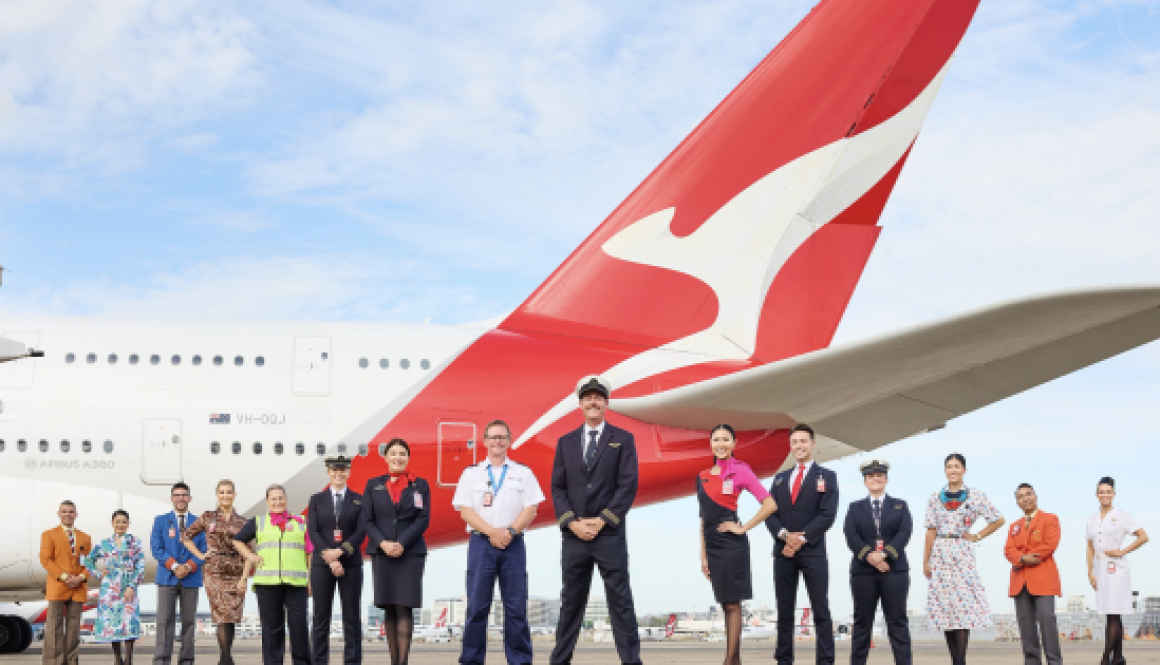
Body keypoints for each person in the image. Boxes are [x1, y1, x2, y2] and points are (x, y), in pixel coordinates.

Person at [550, 375, 642, 665]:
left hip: (609, 534)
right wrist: (573, 522)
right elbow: (558, 487)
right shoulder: (565, 443)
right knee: (570, 603)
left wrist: (603, 520)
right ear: (580, 404)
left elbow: (628, 485)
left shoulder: (623, 439)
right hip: (574, 536)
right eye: (588, 397)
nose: (593, 401)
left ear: (606, 403)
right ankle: (560, 660)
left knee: (620, 601)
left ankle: (631, 661)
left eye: (598, 397)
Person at [453, 420, 545, 665]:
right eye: (493, 437)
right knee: (476, 609)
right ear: (484, 441)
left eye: (502, 437)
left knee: (516, 609)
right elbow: (465, 511)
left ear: (509, 440)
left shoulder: (522, 473)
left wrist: (510, 532)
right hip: (481, 544)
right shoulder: (470, 474)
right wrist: (492, 532)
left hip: (513, 544)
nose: (497, 441)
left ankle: (520, 661)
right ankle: (471, 660)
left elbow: (531, 508)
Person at [697, 424, 778, 665]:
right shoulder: (701, 476)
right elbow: (703, 519)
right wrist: (703, 555)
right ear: (710, 443)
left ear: (734, 444)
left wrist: (742, 528)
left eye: (725, 440)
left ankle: (729, 662)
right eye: (716, 439)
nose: (720, 444)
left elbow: (770, 504)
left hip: (731, 544)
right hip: (711, 544)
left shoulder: (741, 472)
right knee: (725, 603)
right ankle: (735, 661)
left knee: (733, 604)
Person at [764, 423, 839, 665]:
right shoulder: (779, 479)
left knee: (821, 611)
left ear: (813, 444)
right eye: (795, 442)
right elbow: (769, 514)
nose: (799, 446)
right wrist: (786, 536)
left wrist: (801, 539)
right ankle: (784, 660)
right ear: (791, 446)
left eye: (803, 441)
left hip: (813, 552)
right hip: (783, 552)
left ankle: (825, 661)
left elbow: (827, 515)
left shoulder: (827, 477)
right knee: (784, 612)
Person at [922, 453, 1005, 665]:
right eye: (949, 466)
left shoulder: (975, 495)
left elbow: (998, 519)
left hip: (962, 551)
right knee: (946, 610)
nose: (953, 470)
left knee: (962, 609)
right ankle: (955, 660)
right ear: (944, 470)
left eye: (957, 466)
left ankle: (960, 661)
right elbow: (930, 531)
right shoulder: (934, 497)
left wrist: (977, 535)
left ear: (964, 470)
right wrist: (926, 560)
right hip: (940, 551)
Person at [362, 438, 431, 665]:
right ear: (386, 458)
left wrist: (401, 542)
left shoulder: (420, 485)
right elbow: (367, 520)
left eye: (402, 453)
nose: (398, 457)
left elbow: (422, 519)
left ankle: (402, 662)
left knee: (404, 605)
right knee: (389, 607)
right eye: (393, 454)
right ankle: (394, 661)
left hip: (410, 553)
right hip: (382, 553)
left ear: (408, 458)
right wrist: (383, 543)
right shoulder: (374, 485)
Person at [234, 484, 313, 665]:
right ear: (267, 501)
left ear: (286, 499)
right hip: (267, 584)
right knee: (271, 631)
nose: (278, 502)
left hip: (296, 584)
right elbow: (237, 540)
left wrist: (311, 579)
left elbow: (309, 553)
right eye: (274, 499)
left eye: (281, 498)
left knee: (299, 629)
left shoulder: (301, 522)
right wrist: (250, 555)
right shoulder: (258, 522)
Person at [843, 459, 912, 665]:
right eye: (871, 476)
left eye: (879, 476)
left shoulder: (900, 505)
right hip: (863, 572)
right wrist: (870, 556)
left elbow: (904, 533)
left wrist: (884, 555)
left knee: (897, 623)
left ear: (886, 479)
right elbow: (851, 535)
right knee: (862, 623)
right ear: (865, 481)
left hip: (894, 571)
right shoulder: (855, 507)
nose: (875, 479)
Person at [307, 456, 367, 665]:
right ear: (328, 473)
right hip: (322, 565)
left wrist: (340, 553)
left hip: (350, 564)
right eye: (334, 470)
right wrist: (329, 557)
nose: (338, 474)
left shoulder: (359, 500)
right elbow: (313, 531)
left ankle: (352, 662)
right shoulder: (316, 499)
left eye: (342, 470)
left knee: (351, 618)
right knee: (320, 618)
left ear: (348, 472)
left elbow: (361, 532)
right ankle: (319, 661)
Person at [183, 480, 250, 665]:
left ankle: (226, 656)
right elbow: (186, 537)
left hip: (236, 572)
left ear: (234, 494)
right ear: (217, 495)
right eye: (222, 492)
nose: (225, 495)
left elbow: (250, 553)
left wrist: (244, 579)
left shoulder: (243, 522)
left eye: (229, 492)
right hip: (215, 572)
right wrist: (201, 555)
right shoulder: (207, 517)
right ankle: (225, 658)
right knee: (222, 615)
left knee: (231, 617)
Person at [1086, 476, 1149, 665]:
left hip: (1116, 568)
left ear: (1113, 494)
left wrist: (1122, 551)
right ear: (1096, 495)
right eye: (1101, 492)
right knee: (1109, 613)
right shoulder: (1091, 519)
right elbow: (1089, 547)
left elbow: (1143, 536)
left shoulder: (1121, 515)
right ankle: (1118, 658)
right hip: (1099, 567)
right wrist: (1090, 572)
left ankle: (1105, 658)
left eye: (1108, 492)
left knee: (1114, 613)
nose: (1105, 495)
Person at [1004, 483, 1061, 665]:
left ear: (1035, 496)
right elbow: (1008, 550)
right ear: (1017, 502)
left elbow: (1050, 544)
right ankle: (1031, 661)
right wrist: (1022, 558)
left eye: (1028, 494)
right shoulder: (1014, 526)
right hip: (1020, 581)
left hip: (1043, 578)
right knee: (1026, 626)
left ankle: (1054, 661)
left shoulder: (1050, 519)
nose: (1025, 498)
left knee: (1047, 620)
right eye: (1020, 496)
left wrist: (1029, 557)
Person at [150, 482, 205, 665]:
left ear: (189, 498)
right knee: (164, 622)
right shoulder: (160, 521)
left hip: (191, 578)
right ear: (172, 498)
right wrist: (175, 566)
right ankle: (161, 661)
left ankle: (186, 661)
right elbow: (156, 548)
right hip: (167, 578)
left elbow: (204, 550)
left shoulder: (199, 522)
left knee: (189, 623)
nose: (181, 498)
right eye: (177, 495)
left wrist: (188, 567)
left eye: (184, 495)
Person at [83, 510, 146, 664]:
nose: (120, 525)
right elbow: (87, 560)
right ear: (112, 523)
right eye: (117, 521)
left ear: (128, 524)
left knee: (129, 622)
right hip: (109, 587)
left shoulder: (135, 542)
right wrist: (98, 574)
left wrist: (132, 585)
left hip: (128, 585)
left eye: (124, 521)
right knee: (113, 624)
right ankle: (117, 659)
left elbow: (140, 565)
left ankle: (129, 659)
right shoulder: (103, 543)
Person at [39, 500, 91, 665]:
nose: (67, 514)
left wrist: (81, 578)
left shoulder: (85, 537)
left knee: (73, 628)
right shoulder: (49, 534)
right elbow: (46, 559)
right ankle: (53, 662)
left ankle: (71, 661)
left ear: (76, 514)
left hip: (78, 587)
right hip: (57, 586)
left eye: (70, 511)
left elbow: (88, 563)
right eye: (64, 511)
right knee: (54, 627)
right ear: (58, 514)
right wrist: (64, 577)